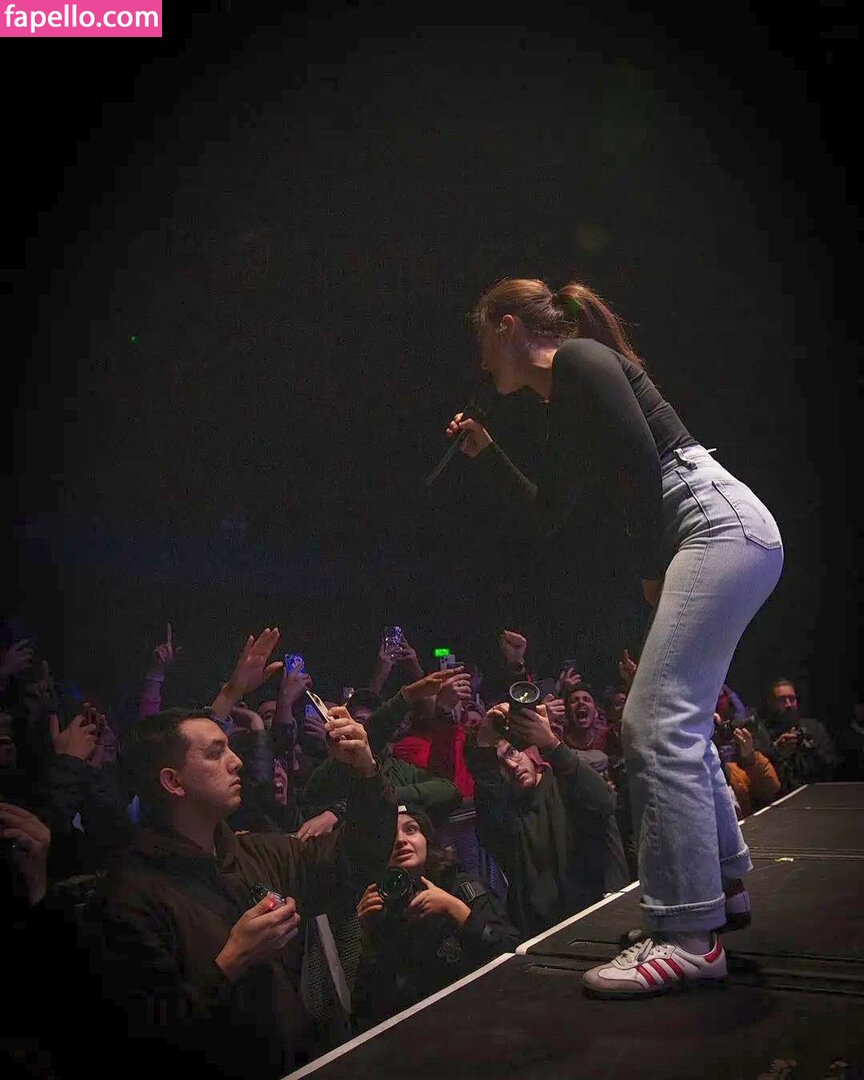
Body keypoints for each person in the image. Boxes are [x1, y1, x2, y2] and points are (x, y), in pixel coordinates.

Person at [446, 277, 784, 997]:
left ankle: (688, 935)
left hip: (710, 521)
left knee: (653, 722)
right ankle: (721, 891)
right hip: (711, 529)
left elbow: (639, 461)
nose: (480, 363)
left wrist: (652, 570)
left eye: (482, 342)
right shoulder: (563, 400)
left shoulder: (579, 359)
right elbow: (549, 516)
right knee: (675, 718)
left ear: (507, 326)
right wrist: (488, 452)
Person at [93, 702, 397, 1078]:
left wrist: (365, 773)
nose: (236, 762)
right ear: (173, 782)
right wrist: (231, 962)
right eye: (215, 753)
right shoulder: (129, 896)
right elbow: (149, 1037)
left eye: (230, 749)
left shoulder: (254, 853)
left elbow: (355, 861)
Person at [352, 803, 521, 1030]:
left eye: (411, 829)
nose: (400, 840)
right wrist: (369, 938)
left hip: (483, 1016)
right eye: (389, 835)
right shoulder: (382, 910)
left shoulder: (462, 890)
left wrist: (456, 910)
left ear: (427, 841)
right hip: (423, 1032)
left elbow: (513, 953)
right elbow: (366, 1015)